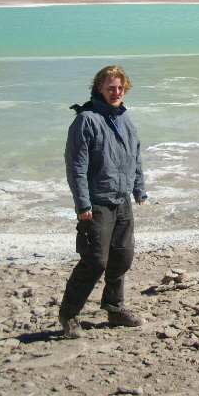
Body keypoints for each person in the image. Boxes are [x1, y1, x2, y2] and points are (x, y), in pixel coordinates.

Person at [59, 65, 147, 339]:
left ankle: (114, 308)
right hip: (96, 203)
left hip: (121, 200)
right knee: (95, 260)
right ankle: (69, 314)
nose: (116, 92)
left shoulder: (124, 119)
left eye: (120, 88)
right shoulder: (86, 120)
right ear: (99, 88)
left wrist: (139, 189)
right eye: (111, 88)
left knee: (122, 257)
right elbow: (76, 167)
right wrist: (82, 204)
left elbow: (135, 155)